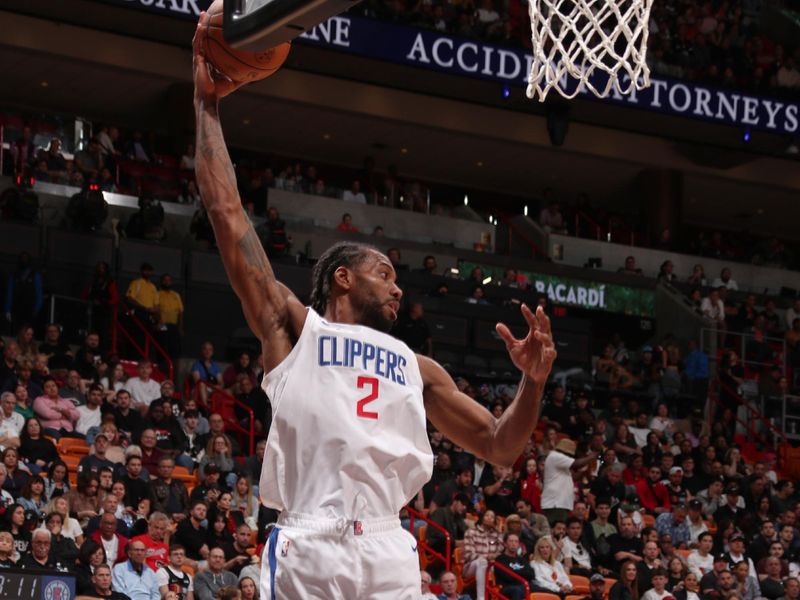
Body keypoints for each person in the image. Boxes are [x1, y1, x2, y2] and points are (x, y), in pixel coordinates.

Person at [193, 18, 556, 598]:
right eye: (383, 274)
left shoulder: (418, 368)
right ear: (341, 278)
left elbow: (499, 445)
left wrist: (533, 383)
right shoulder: (294, 329)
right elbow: (226, 210)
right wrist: (206, 105)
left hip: (388, 544)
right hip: (310, 539)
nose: (397, 288)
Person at [541, 439, 596, 525]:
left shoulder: (558, 462)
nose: (569, 457)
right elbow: (576, 463)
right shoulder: (555, 456)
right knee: (557, 529)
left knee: (560, 530)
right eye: (569, 455)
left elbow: (574, 477)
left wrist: (584, 469)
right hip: (556, 503)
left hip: (560, 503)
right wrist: (591, 457)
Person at [462, 510, 502, 600]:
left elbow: (501, 550)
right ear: (482, 517)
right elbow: (469, 554)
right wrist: (486, 557)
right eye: (487, 515)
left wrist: (499, 532)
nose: (489, 518)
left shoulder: (495, 534)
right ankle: (481, 598)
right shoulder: (471, 532)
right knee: (482, 562)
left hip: (490, 565)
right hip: (471, 566)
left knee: (498, 565)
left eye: (492, 517)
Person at [495, 532, 537, 600]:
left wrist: (514, 571)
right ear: (505, 544)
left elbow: (532, 574)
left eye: (516, 541)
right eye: (511, 541)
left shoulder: (522, 559)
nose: (513, 544)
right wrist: (523, 572)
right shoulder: (500, 559)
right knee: (517, 591)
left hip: (524, 586)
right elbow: (507, 576)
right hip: (507, 587)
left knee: (546, 591)